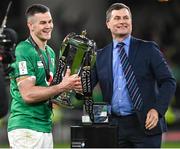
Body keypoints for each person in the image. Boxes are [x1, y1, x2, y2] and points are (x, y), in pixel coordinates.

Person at [91, 3, 176, 148]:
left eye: (126, 18)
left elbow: (168, 81)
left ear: (131, 21)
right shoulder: (100, 56)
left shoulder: (148, 49)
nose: (122, 21)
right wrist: (73, 81)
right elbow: (85, 88)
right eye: (117, 18)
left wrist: (157, 110)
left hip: (145, 125)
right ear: (108, 24)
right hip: (114, 126)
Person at [7, 4, 82, 148]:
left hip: (45, 127)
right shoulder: (23, 50)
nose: (48, 26)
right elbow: (28, 94)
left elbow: (50, 93)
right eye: (42, 22)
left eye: (50, 21)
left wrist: (70, 87)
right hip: (26, 126)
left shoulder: (50, 53)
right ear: (31, 26)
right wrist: (61, 86)